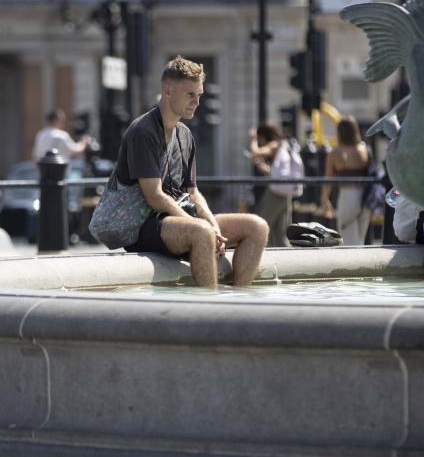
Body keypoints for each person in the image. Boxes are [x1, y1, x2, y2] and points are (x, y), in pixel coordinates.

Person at [105, 56, 268, 287]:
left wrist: (213, 225)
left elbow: (193, 192)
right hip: (144, 225)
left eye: (199, 95)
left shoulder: (185, 135)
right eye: (190, 95)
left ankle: (237, 301)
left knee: (256, 226)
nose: (197, 102)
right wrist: (200, 226)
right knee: (201, 233)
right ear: (168, 91)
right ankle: (207, 311)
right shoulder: (143, 131)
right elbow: (154, 196)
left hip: (177, 219)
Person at [320, 117, 371, 246]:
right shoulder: (364, 150)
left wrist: (325, 199)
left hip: (348, 196)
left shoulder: (335, 153)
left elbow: (328, 179)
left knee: (347, 239)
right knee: (361, 240)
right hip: (366, 197)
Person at [248, 123, 291, 247]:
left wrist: (253, 139)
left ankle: (256, 254)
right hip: (284, 192)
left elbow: (255, 152)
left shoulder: (274, 145)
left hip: (276, 193)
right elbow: (275, 172)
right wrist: (263, 167)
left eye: (260, 139)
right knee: (278, 232)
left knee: (261, 224)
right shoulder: (283, 145)